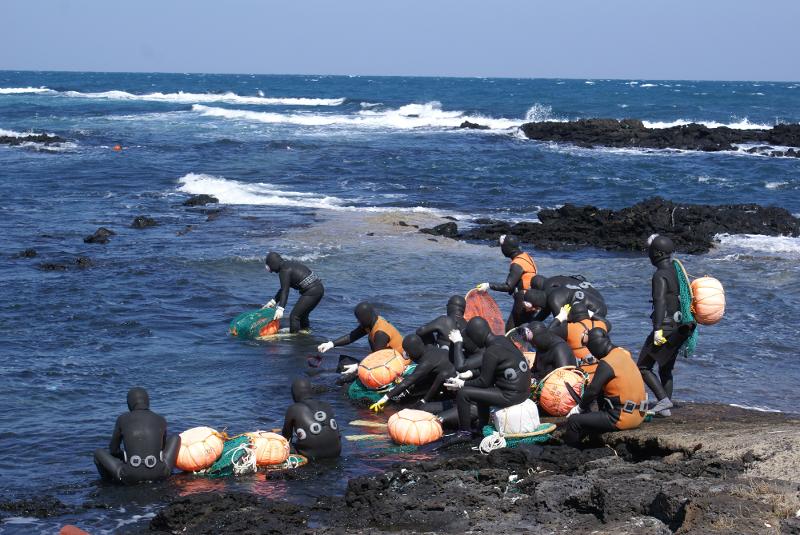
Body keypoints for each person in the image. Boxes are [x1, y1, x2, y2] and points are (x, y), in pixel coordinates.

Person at [443, 317, 532, 443]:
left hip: (511, 395)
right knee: (483, 390)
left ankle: (464, 432)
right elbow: (495, 368)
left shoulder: (491, 351)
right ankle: (482, 426)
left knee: (463, 393)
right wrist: (470, 374)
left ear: (477, 336)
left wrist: (462, 384)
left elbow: (479, 379)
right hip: (523, 392)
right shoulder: (502, 339)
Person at [637, 235, 697, 417]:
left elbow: (660, 302)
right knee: (665, 368)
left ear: (658, 253)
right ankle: (665, 409)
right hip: (681, 327)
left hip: (665, 328)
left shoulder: (659, 275)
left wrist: (657, 330)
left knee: (643, 367)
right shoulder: (676, 270)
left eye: (650, 251)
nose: (648, 255)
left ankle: (663, 400)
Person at [563, 329, 648, 447]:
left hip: (620, 418)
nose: (592, 354)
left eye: (591, 349)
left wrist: (579, 408)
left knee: (574, 421)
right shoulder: (624, 353)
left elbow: (592, 391)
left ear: (595, 345)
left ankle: (569, 451)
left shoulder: (607, 362)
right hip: (639, 415)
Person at [93, 387, 180, 484]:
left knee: (98, 453)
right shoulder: (160, 419)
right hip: (160, 473)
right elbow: (162, 449)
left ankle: (107, 483)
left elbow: (113, 450)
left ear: (129, 404)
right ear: (147, 402)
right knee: (176, 437)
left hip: (129, 475)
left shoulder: (122, 419)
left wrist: (125, 457)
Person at [368, 334, 456, 412]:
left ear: (414, 351)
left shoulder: (426, 363)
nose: (409, 356)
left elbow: (408, 382)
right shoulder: (430, 348)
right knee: (420, 383)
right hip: (446, 376)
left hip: (453, 388)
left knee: (417, 408)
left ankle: (427, 401)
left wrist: (384, 398)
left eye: (409, 353)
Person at [475, 234, 538, 330]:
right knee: (523, 331)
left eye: (502, 247)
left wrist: (488, 285)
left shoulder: (517, 264)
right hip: (533, 299)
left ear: (508, 248)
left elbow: (508, 286)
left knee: (511, 331)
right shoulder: (526, 257)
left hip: (523, 301)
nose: (501, 249)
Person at [263, 252, 324, 334]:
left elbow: (285, 291)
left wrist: (280, 309)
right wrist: (273, 302)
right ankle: (305, 332)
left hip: (312, 291)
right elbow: (284, 288)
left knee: (294, 316)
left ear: (273, 264)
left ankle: (294, 337)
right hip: (318, 289)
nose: (273, 271)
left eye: (271, 268)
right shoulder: (288, 265)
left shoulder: (284, 271)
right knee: (302, 315)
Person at [281, 377, 341, 460]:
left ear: (294, 394)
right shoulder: (326, 405)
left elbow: (286, 439)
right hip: (336, 452)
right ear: (311, 391)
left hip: (310, 455)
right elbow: (337, 434)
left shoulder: (293, 409)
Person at [317, 302, 404, 357]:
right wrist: (331, 344)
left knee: (352, 372)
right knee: (345, 363)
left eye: (360, 319)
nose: (358, 321)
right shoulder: (372, 322)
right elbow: (352, 336)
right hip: (386, 357)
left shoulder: (380, 333)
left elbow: (377, 358)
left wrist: (357, 366)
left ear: (367, 317)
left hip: (399, 362)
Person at [521, 275, 608, 322]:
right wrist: (532, 322)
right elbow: (547, 309)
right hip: (596, 298)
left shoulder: (553, 297)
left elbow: (561, 324)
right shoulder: (553, 283)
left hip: (596, 309)